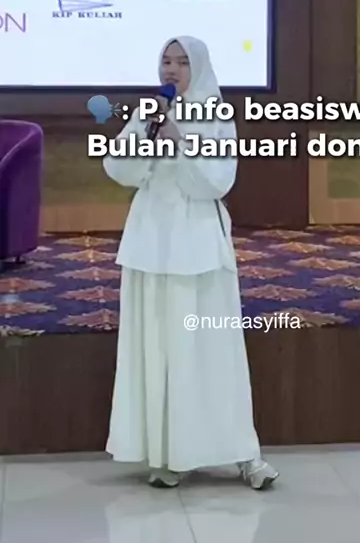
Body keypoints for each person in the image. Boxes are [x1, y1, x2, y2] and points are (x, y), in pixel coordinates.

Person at [103, 35, 279, 491]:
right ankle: (170, 455)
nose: (172, 69)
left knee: (211, 352)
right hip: (151, 241)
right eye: (166, 60)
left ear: (198, 67)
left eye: (182, 62)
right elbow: (118, 170)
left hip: (197, 243)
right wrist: (143, 135)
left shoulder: (216, 115)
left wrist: (181, 142)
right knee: (160, 350)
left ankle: (243, 454)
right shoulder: (149, 111)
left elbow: (217, 182)